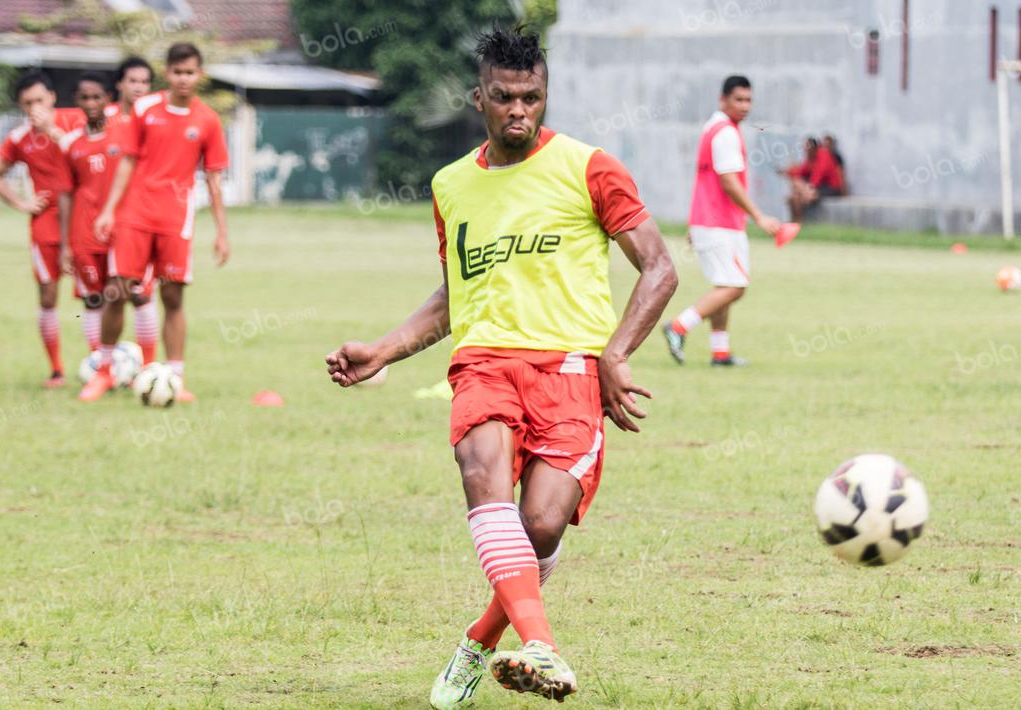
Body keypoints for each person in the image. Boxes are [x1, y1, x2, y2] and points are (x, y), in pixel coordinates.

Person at [326, 27, 678, 707]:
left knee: (541, 525)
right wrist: (384, 349)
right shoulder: (450, 184)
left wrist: (616, 353)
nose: (519, 111)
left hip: (570, 370)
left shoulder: (590, 167)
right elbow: (457, 293)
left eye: (531, 98)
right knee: (480, 474)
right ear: (478, 97)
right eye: (504, 98)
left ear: (544, 96)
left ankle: (478, 642)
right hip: (483, 363)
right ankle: (541, 647)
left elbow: (659, 267)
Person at [80, 42, 230, 402]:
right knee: (117, 290)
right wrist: (109, 210)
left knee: (172, 296)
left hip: (176, 219)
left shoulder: (207, 120)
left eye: (190, 72)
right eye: (177, 72)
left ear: (200, 74)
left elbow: (212, 179)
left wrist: (222, 232)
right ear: (168, 73)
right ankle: (103, 371)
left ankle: (174, 379)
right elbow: (128, 161)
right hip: (135, 215)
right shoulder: (146, 109)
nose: (184, 78)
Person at [663, 75, 781, 367]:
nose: (745, 106)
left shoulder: (711, 128)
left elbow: (706, 179)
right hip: (720, 224)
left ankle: (720, 352)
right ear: (723, 99)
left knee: (724, 283)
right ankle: (678, 326)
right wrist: (760, 216)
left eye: (748, 100)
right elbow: (729, 182)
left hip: (708, 221)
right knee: (735, 286)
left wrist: (696, 224)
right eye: (738, 99)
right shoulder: (726, 133)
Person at [0, 72, 86, 387]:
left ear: (53, 98)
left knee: (92, 295)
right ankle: (56, 369)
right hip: (45, 223)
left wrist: (53, 131)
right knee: (47, 294)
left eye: (39, 100)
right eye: (27, 103)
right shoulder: (19, 138)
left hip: (81, 219)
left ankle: (102, 365)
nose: (34, 108)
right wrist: (21, 203)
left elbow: (89, 153)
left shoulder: (75, 120)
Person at [58, 72, 157, 359]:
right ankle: (99, 365)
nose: (91, 103)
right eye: (84, 98)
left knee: (138, 295)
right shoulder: (70, 144)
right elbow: (65, 194)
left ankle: (148, 365)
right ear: (76, 101)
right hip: (85, 235)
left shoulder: (125, 134)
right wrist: (65, 244)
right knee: (93, 298)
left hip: (124, 229)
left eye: (96, 97)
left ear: (107, 99)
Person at [106, 55, 153, 125]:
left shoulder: (155, 119)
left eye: (144, 82)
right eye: (133, 81)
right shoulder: (105, 115)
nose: (138, 88)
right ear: (119, 84)